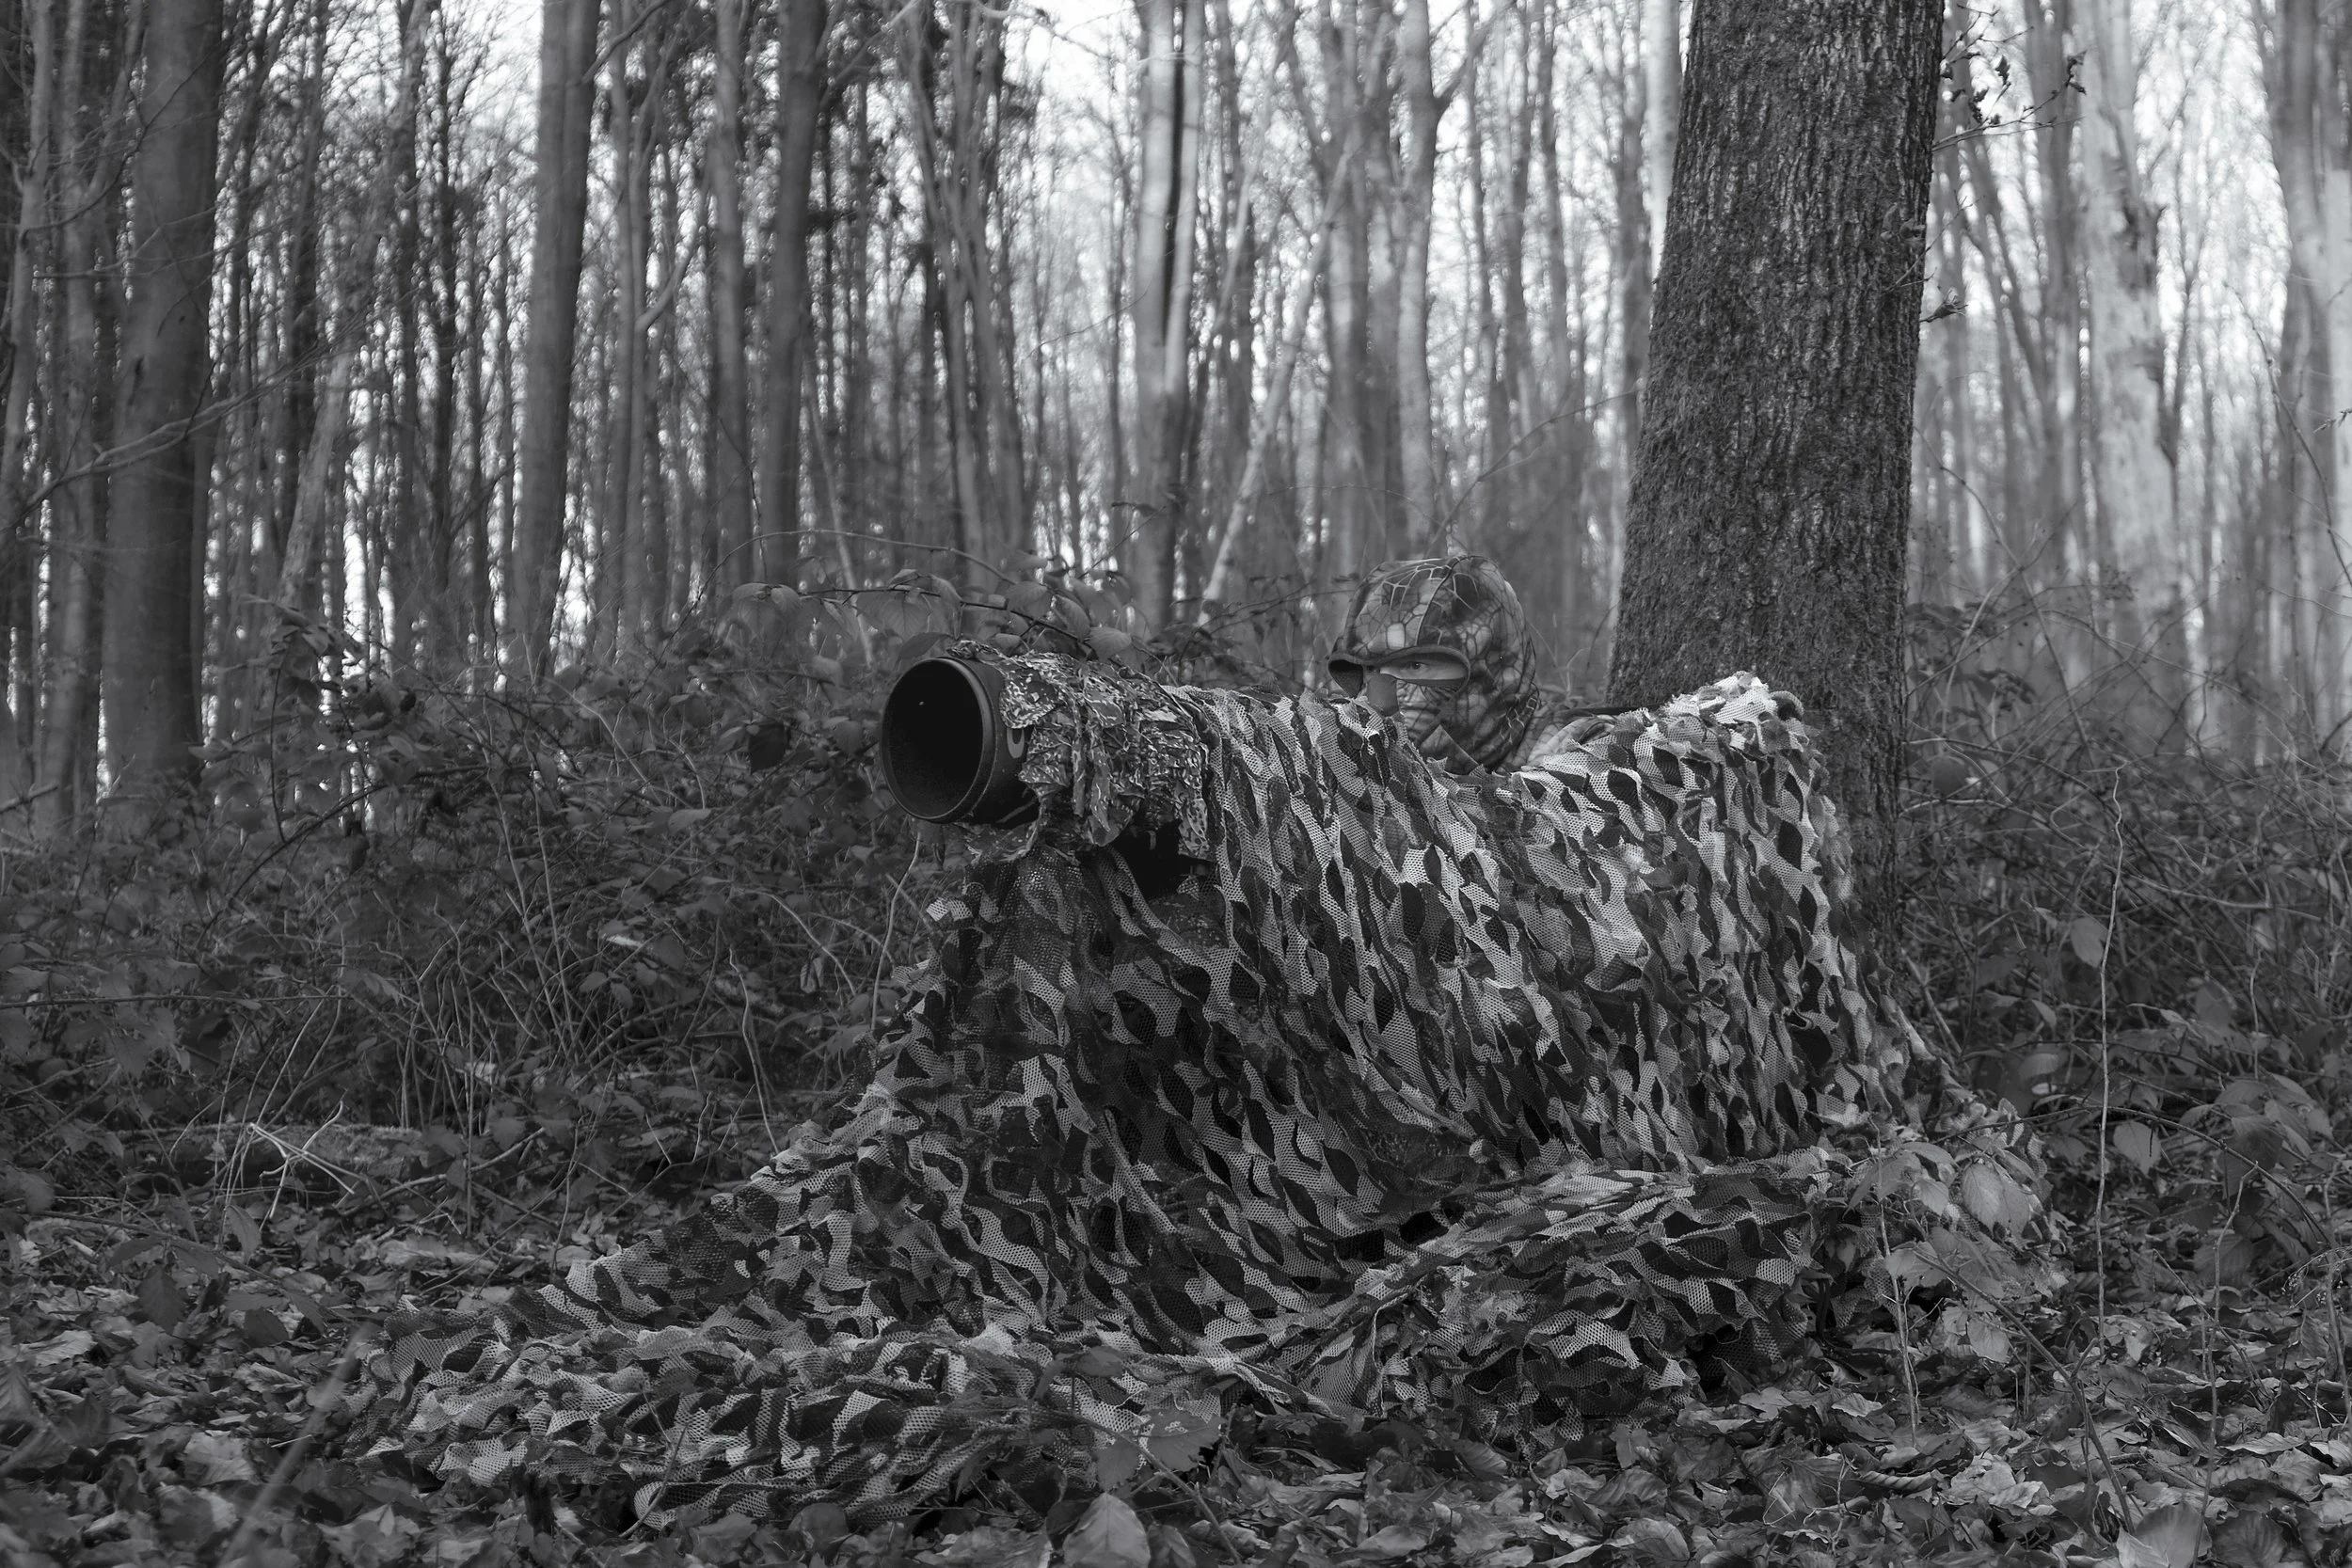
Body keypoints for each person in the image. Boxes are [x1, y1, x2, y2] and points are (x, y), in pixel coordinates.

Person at [1326, 553, 1624, 773]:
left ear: (1489, 667)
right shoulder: (1359, 770)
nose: (1380, 692)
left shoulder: (1583, 751)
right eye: (1370, 670)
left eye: (1414, 666)